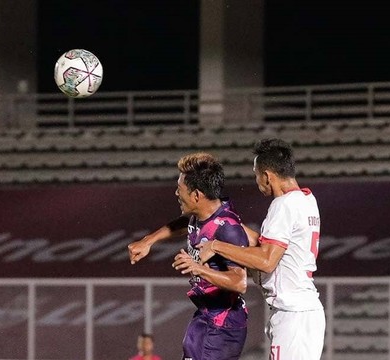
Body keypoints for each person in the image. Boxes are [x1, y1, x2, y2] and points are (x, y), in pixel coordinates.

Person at [197, 138, 325, 360]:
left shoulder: (283, 204)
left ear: (267, 176)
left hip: (294, 313)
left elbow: (266, 260)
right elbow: (270, 246)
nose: (256, 181)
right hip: (301, 312)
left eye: (256, 174)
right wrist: (227, 222)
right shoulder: (306, 200)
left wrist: (216, 246)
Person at [128, 152, 250, 360]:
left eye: (180, 189)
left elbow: (240, 282)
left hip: (223, 326)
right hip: (204, 316)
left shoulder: (228, 228)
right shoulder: (200, 216)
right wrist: (148, 240)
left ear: (196, 195)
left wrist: (198, 268)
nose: (176, 193)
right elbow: (184, 224)